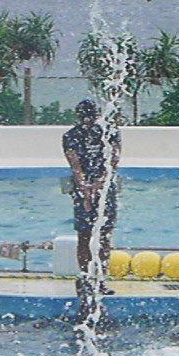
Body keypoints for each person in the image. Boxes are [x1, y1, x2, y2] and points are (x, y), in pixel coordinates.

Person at [62, 98, 120, 298]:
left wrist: (99, 184)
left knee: (105, 234)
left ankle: (101, 279)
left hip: (104, 188)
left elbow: (113, 162)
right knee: (84, 234)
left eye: (90, 117)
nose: (87, 121)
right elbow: (75, 166)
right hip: (83, 189)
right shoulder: (71, 136)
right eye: (84, 117)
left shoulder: (110, 132)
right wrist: (85, 188)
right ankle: (86, 278)